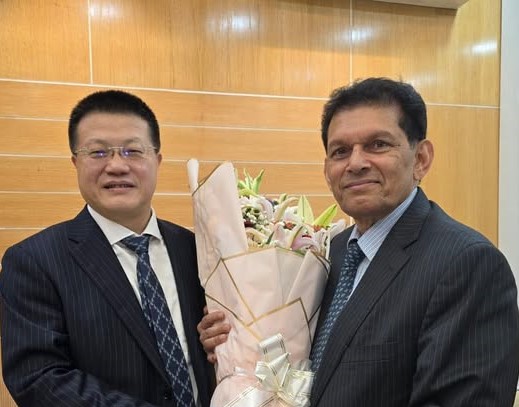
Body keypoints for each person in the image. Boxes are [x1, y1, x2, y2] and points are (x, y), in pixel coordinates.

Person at [198, 77, 519, 406]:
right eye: (340, 151)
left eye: (378, 145)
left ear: (421, 159)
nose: (355, 163)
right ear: (327, 170)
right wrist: (239, 342)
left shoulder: (466, 264)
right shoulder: (329, 254)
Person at [0, 90, 214, 406]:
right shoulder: (34, 261)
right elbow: (39, 379)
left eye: (133, 151)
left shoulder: (195, 248)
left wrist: (222, 340)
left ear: (157, 161)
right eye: (98, 152)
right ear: (75, 162)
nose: (116, 165)